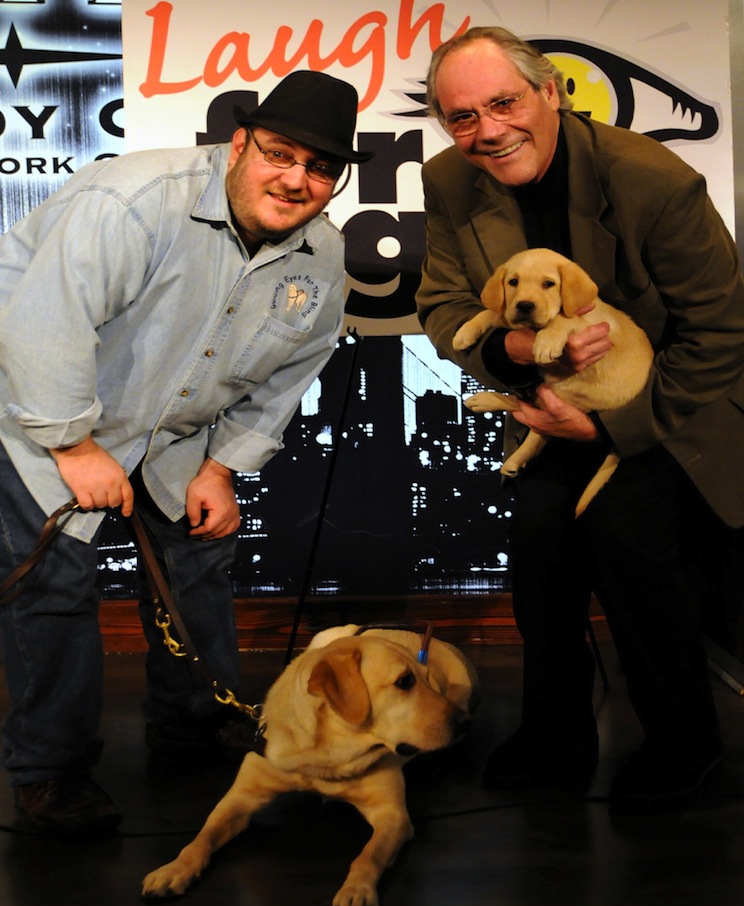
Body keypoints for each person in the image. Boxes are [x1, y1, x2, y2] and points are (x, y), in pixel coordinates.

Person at [0, 70, 372, 835]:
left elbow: (289, 373)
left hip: (173, 430)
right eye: (279, 153)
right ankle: (51, 771)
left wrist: (220, 468)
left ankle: (194, 722)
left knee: (201, 558)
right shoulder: (133, 200)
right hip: (43, 407)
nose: (296, 179)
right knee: (58, 586)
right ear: (238, 143)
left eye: (320, 168)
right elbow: (41, 324)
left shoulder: (322, 256)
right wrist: (74, 445)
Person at [416, 26, 744, 811]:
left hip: (668, 411)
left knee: (632, 550)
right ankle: (557, 733)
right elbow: (442, 305)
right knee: (539, 558)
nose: (487, 130)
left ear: (550, 93)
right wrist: (520, 348)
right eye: (462, 117)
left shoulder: (651, 180)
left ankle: (682, 742)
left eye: (503, 103)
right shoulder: (451, 181)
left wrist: (615, 430)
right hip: (550, 404)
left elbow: (722, 330)